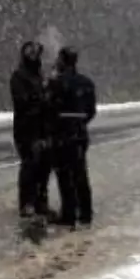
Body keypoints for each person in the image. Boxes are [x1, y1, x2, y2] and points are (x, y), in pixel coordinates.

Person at [48, 47, 96, 228]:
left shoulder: (55, 84)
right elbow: (91, 111)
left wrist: (55, 127)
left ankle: (69, 213)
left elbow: (49, 110)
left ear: (61, 61)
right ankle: (85, 212)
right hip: (79, 135)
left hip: (61, 135)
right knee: (80, 174)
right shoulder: (86, 83)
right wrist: (80, 123)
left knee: (64, 176)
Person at [10, 41, 52, 217]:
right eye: (33, 53)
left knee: (44, 166)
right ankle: (27, 202)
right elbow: (22, 102)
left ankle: (41, 201)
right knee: (29, 165)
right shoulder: (19, 76)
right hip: (26, 128)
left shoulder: (39, 75)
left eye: (38, 54)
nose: (36, 57)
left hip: (42, 126)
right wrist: (41, 100)